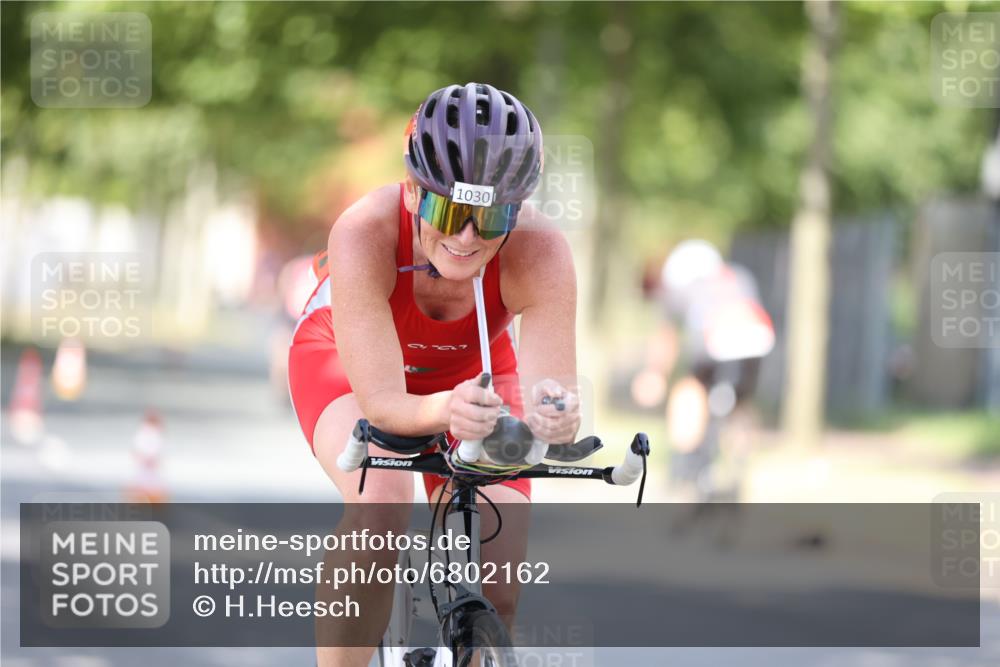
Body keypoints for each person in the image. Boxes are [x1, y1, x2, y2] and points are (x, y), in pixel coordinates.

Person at [287, 82, 581, 667]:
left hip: (474, 379)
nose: (467, 237)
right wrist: (441, 411)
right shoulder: (365, 230)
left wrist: (557, 416)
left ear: (517, 209)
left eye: (491, 216)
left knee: (497, 580)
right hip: (347, 364)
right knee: (381, 508)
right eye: (448, 210)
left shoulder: (541, 251)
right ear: (415, 190)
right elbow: (382, 404)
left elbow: (551, 391)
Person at [632, 240, 774, 500]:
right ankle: (739, 463)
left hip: (718, 345)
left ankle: (685, 467)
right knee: (740, 406)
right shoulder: (739, 275)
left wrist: (655, 373)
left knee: (689, 390)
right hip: (757, 342)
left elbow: (668, 335)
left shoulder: (680, 287)